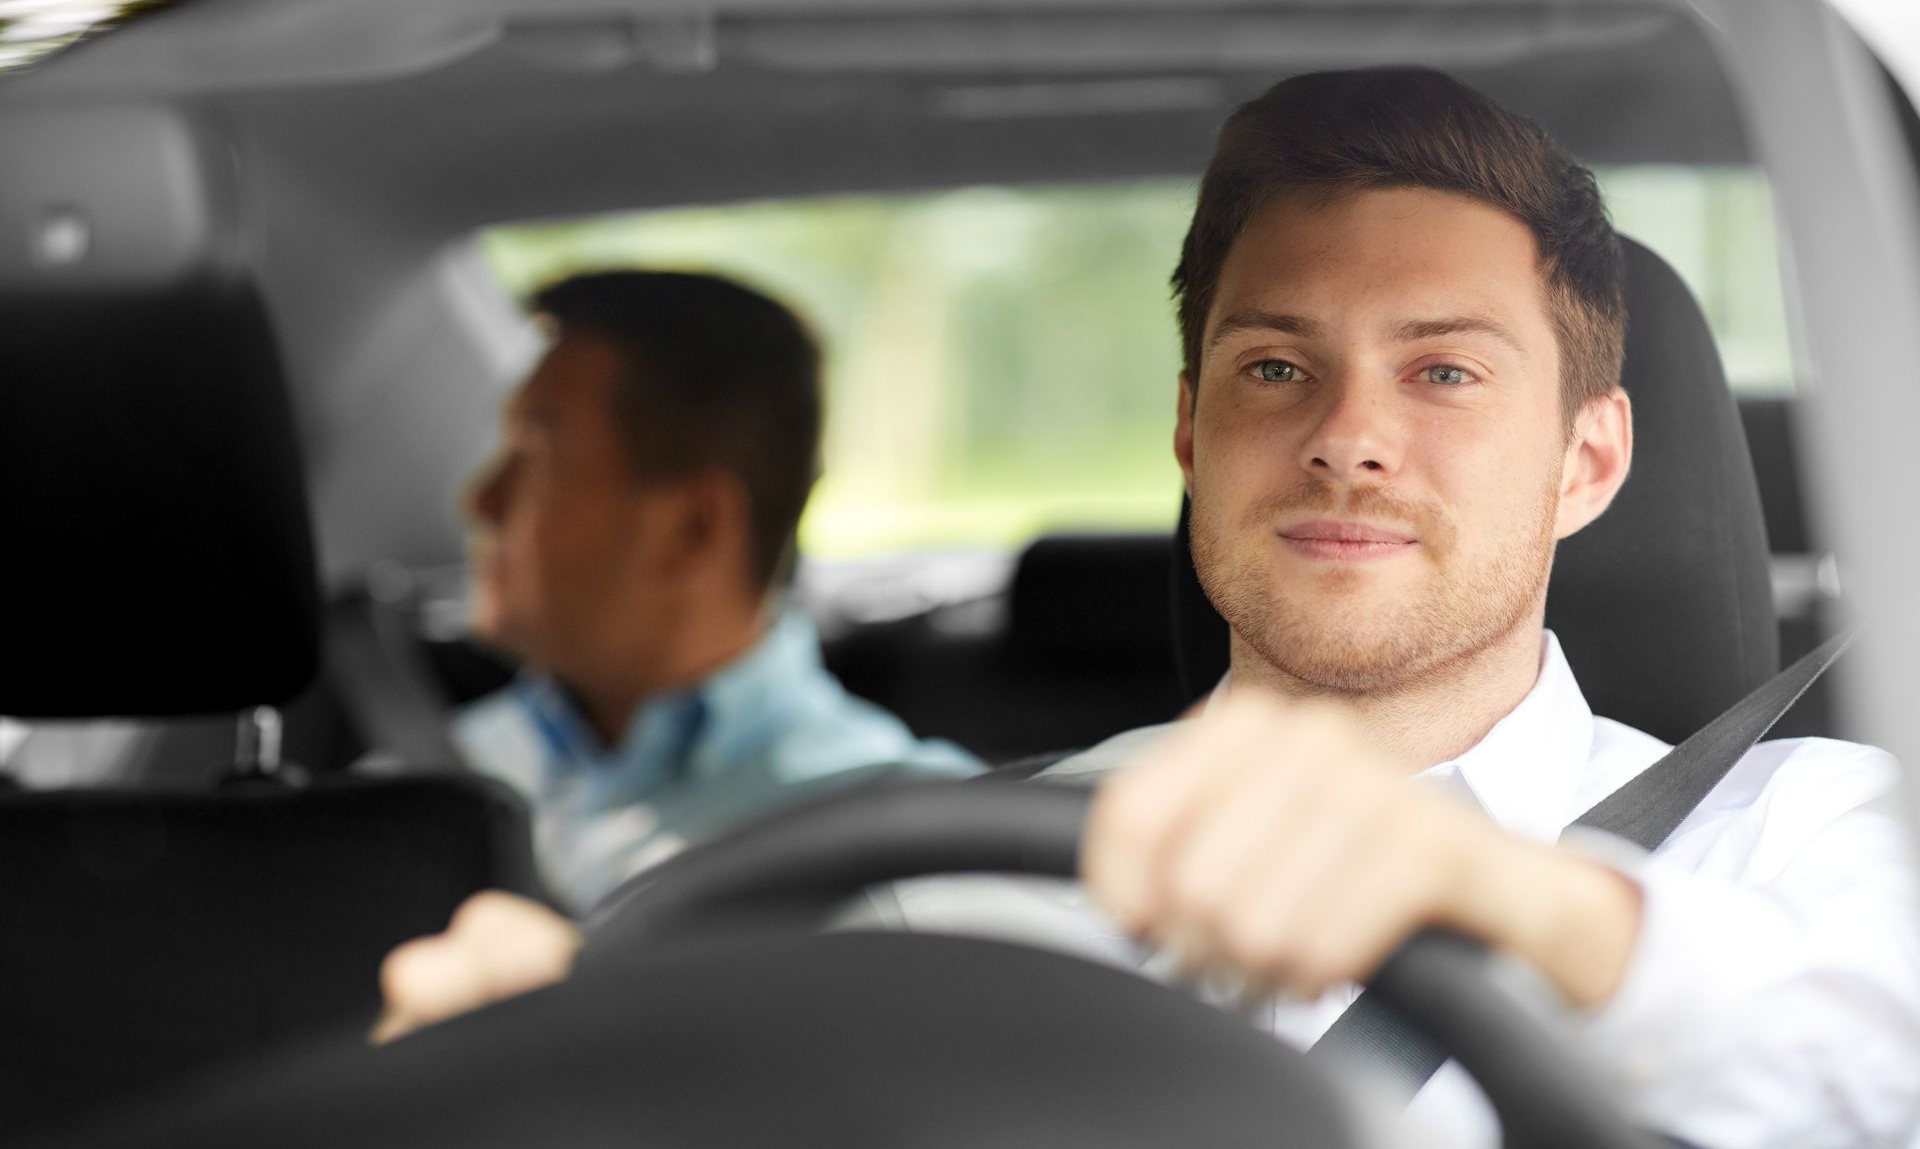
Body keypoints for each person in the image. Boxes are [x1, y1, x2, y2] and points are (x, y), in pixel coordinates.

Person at [373, 69, 1920, 1147]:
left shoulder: (1810, 837)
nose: (1349, 435)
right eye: (1276, 367)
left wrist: (1523, 902)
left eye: (1444, 371)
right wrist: (535, 1087)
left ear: (1588, 461)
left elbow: (1877, 1077)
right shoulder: (941, 890)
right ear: (1191, 432)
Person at [448, 269, 980, 914]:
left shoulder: (918, 836)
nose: (480, 500)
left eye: (537, 452)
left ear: (692, 528)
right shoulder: (426, 774)